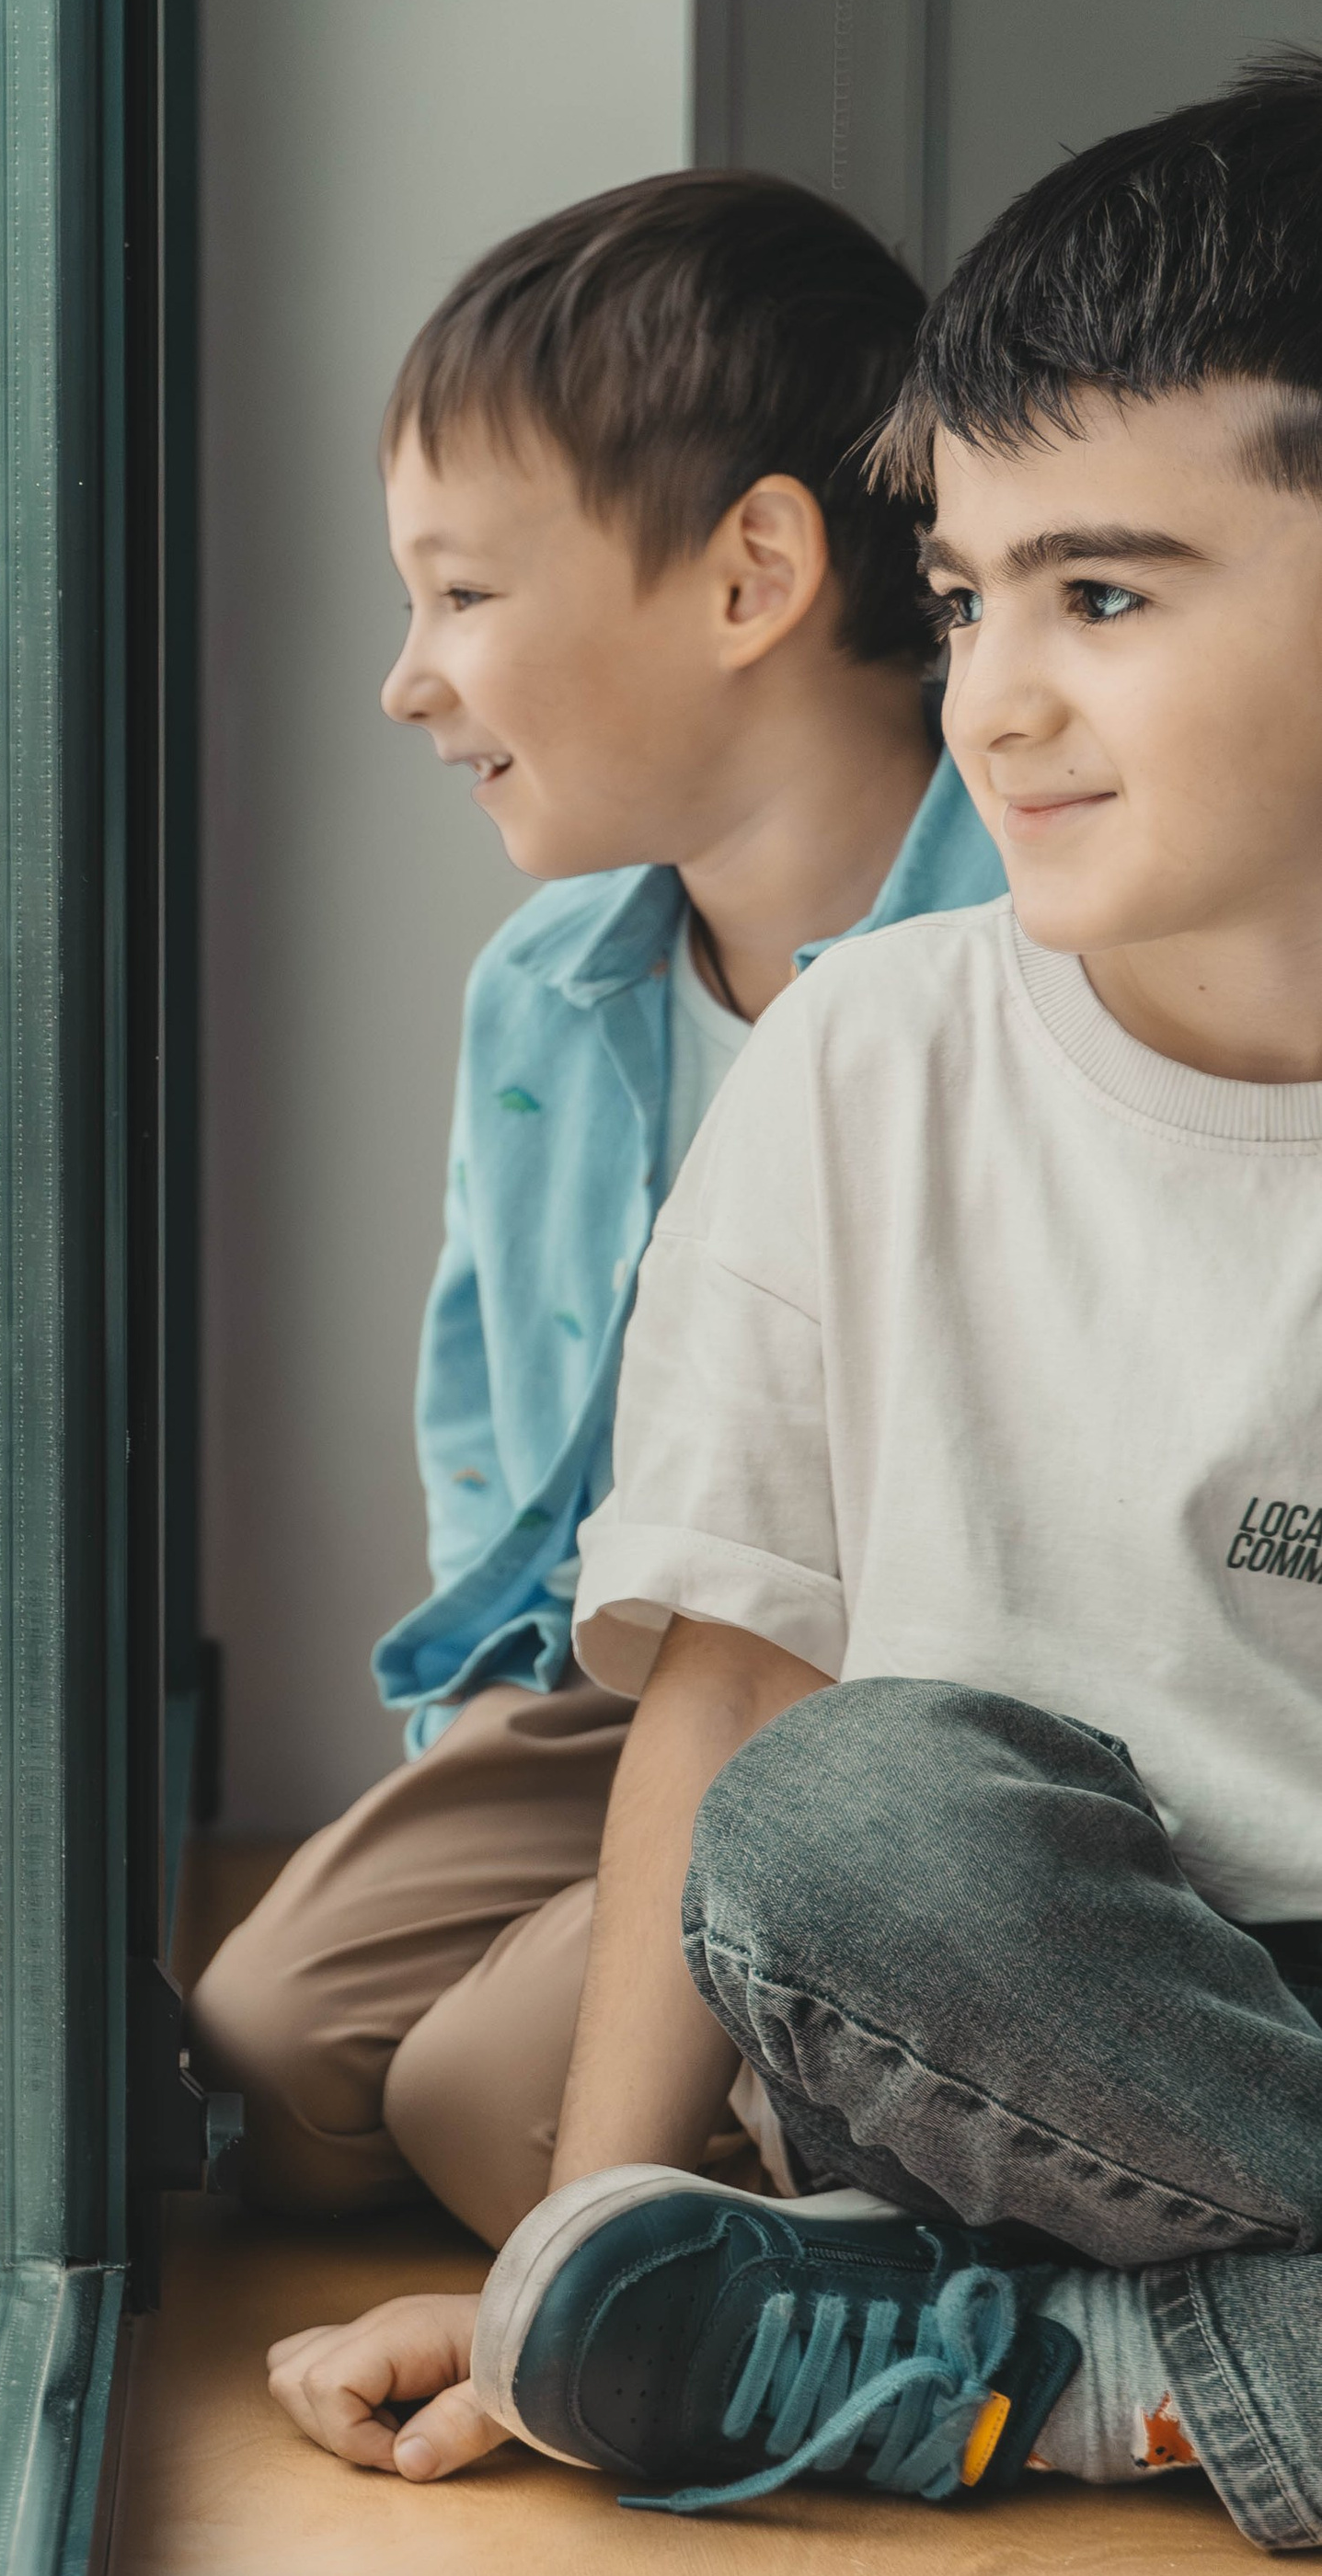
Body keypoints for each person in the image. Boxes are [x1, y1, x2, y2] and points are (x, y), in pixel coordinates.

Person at [265, 48, 1322, 2553]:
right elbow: (734, 1687)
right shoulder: (879, 1049)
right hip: (1021, 1985)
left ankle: (1081, 2374)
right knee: (841, 1814)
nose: (998, 694)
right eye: (968, 598)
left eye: (1104, 596)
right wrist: (564, 2262)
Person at [190, 174, 999, 2247]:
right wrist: (473, 1729)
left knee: (482, 2109)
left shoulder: (1010, 967)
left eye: (456, 595)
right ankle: (623, 1976)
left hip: (888, 1718)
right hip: (609, 1681)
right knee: (268, 2048)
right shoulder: (548, 982)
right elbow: (492, 1390)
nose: (403, 679)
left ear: (748, 575)